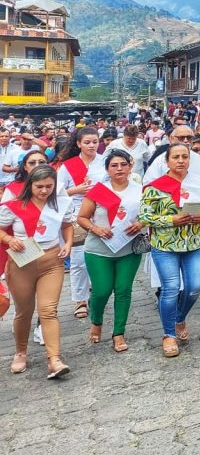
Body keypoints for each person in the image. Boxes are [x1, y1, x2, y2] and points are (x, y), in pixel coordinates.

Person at [139, 142, 200, 358]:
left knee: (194, 287)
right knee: (170, 289)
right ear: (167, 161)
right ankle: (169, 334)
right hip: (165, 245)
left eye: (185, 156)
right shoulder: (154, 187)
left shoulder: (199, 183)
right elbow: (145, 216)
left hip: (193, 243)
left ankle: (179, 317)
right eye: (176, 157)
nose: (181, 160)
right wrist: (172, 219)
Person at [1, 165, 75, 378]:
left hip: (51, 261)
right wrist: (9, 239)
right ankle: (21, 352)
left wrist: (68, 243)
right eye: (39, 186)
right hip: (22, 263)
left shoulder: (61, 204)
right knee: (24, 311)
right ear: (30, 185)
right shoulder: (13, 206)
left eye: (49, 186)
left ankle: (54, 359)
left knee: (48, 310)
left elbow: (67, 225)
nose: (44, 191)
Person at [77, 149, 146, 352]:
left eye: (123, 164)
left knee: (123, 290)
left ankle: (119, 332)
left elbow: (149, 214)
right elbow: (82, 217)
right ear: (107, 168)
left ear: (130, 166)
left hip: (129, 248)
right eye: (114, 165)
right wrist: (96, 229)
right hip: (99, 249)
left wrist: (141, 223)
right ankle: (96, 320)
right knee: (102, 290)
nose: (119, 169)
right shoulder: (98, 190)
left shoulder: (140, 190)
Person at [56, 126, 106, 321]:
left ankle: (97, 292)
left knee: (99, 256)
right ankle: (79, 300)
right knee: (78, 260)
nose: (91, 145)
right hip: (76, 215)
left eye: (94, 141)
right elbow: (57, 193)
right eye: (87, 142)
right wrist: (77, 190)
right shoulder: (67, 166)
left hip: (100, 213)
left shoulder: (104, 162)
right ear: (78, 144)